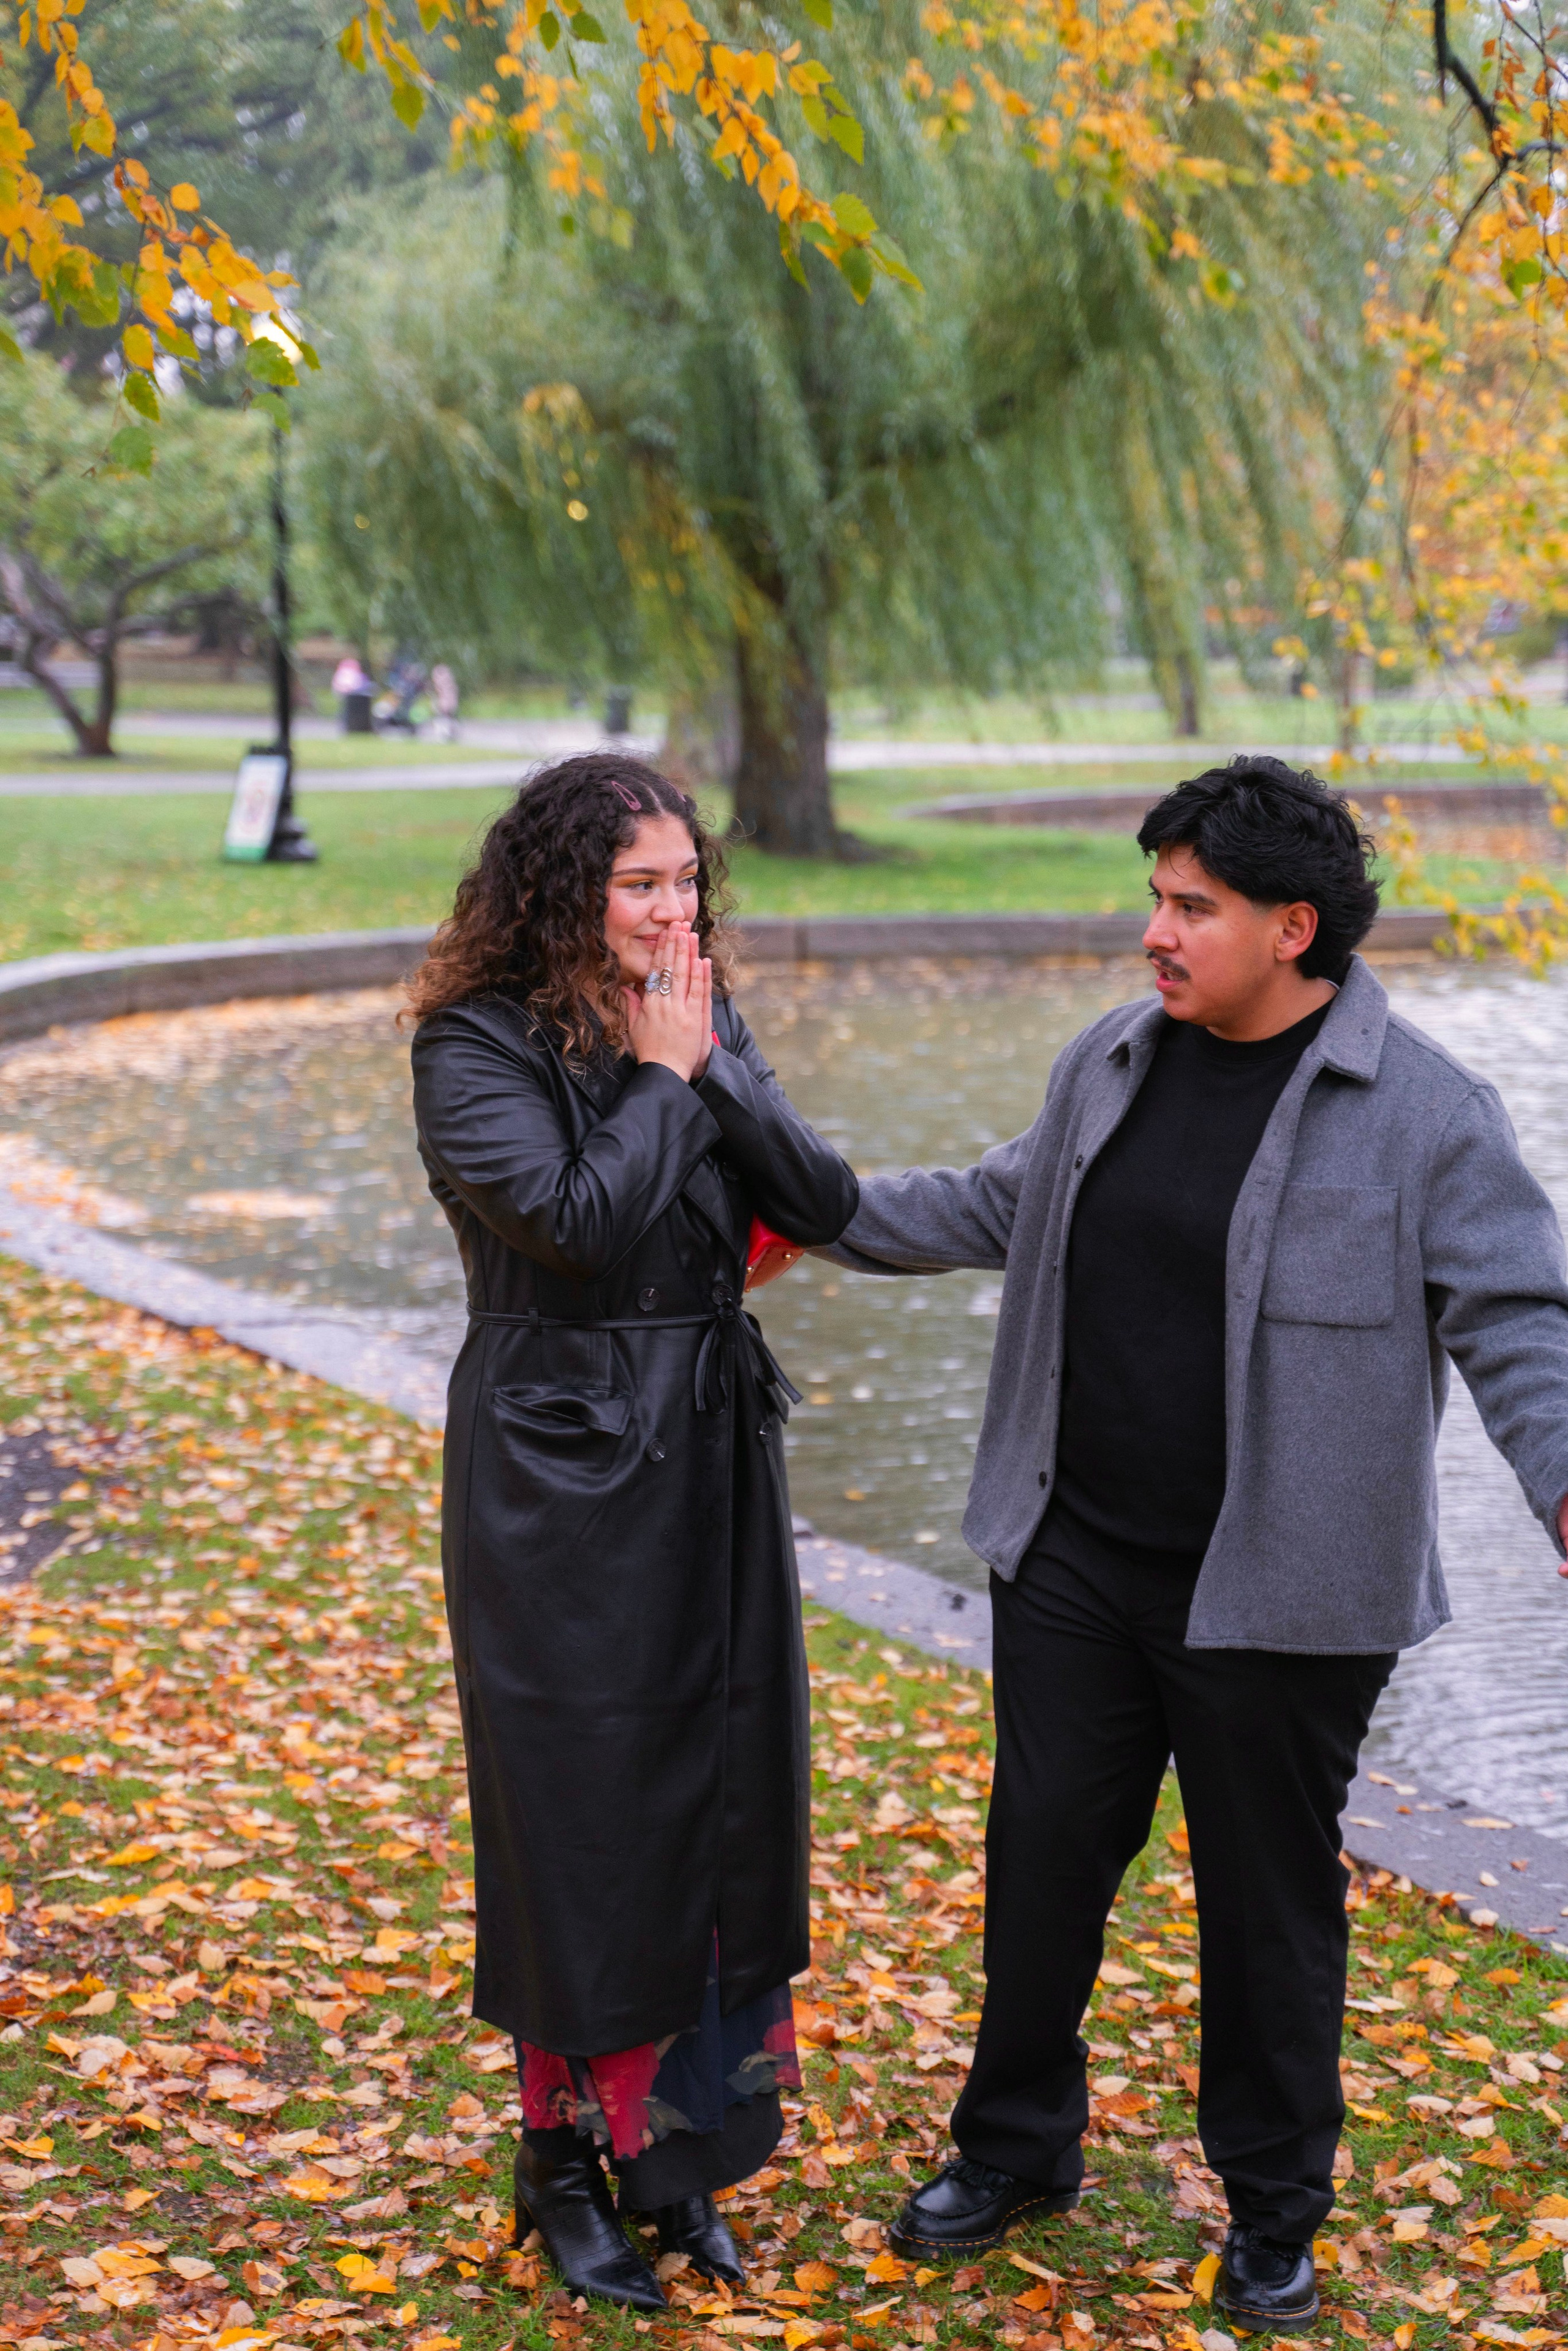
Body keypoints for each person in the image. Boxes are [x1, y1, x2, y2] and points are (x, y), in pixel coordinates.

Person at [823, 757, 1568, 2334]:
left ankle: (1274, 2209)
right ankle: (1014, 2146)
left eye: (1190, 906)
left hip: (1285, 1598)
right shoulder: (1110, 1060)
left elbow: (1516, 1319)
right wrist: (792, 1196)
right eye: (1153, 898)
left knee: (1267, 1907)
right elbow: (990, 1204)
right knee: (1038, 1869)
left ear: (1292, 927)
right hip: (1076, 1561)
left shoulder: (1430, 1114)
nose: (1153, 932)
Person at [407, 753, 858, 2312]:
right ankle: (558, 2162)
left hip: (713, 1452)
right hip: (559, 1468)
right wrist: (667, 1080)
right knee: (583, 1816)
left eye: (684, 883)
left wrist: (713, 1066)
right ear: (561, 891)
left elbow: (826, 1197)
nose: (672, 912)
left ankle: (682, 2155)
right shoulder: (472, 1044)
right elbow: (579, 1230)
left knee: (720, 1795)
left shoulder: (696, 1014)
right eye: (638, 885)